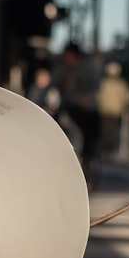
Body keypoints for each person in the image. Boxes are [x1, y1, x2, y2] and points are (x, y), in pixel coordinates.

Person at [53, 42, 102, 190]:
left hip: (87, 113)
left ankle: (86, 178)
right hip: (69, 112)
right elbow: (53, 85)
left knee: (88, 148)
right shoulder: (62, 70)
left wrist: (87, 98)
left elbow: (96, 87)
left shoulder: (89, 68)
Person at [97, 61, 129, 157]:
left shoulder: (118, 84)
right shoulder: (106, 83)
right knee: (107, 130)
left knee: (110, 131)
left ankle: (108, 148)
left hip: (112, 111)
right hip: (107, 111)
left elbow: (126, 97)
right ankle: (106, 148)